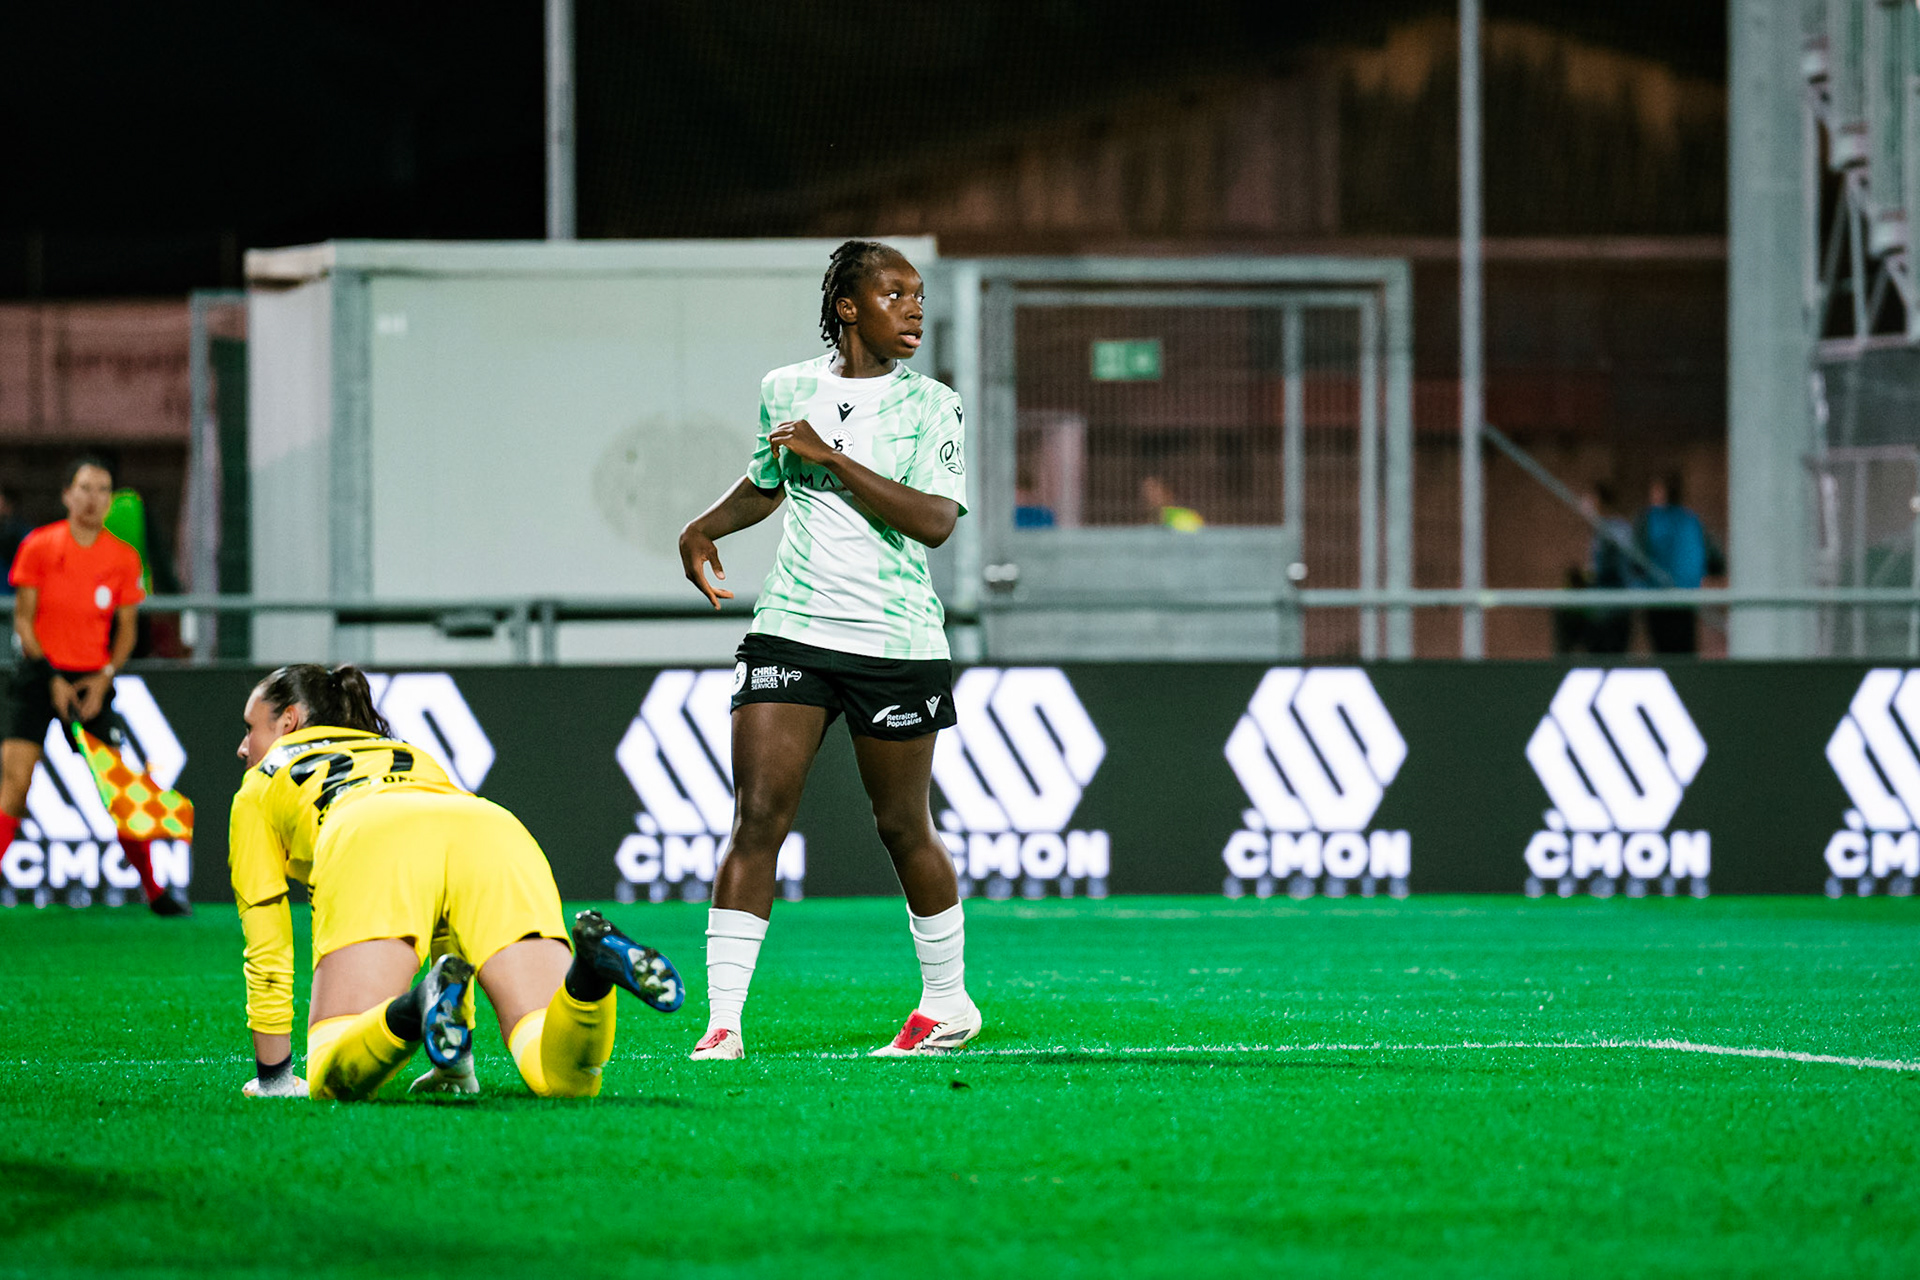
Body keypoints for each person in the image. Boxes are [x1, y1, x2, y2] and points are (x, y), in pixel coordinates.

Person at [676, 239, 981, 1061]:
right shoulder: (786, 388)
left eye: (918, 296)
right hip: (792, 629)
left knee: (901, 826)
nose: (915, 308)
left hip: (894, 640)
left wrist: (833, 458)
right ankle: (724, 1023)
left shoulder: (933, 406)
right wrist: (705, 523)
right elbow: (769, 480)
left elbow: (934, 523)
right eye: (895, 294)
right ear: (849, 308)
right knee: (756, 820)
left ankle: (949, 1004)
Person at [228, 663, 684, 1100]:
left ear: (289, 721)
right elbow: (447, 910)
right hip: (491, 825)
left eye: (250, 728)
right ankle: (590, 974)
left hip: (371, 830)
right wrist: (453, 1064)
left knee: (331, 1071)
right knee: (561, 1075)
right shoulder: (410, 755)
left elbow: (268, 947)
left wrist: (274, 1079)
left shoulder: (259, 786)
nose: (243, 748)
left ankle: (416, 1007)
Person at [1, 456, 182, 914]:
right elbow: (24, 621)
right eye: (84, 487)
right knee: (14, 784)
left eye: (102, 489)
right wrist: (52, 679)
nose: (92, 498)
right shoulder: (39, 546)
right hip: (39, 675)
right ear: (66, 494)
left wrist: (103, 679)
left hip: (92, 682)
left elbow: (126, 631)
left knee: (118, 789)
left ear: (110, 499)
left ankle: (156, 891)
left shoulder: (122, 557)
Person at [1636, 473, 1722, 656]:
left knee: (1664, 656)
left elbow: (1637, 562)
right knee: (1684, 653)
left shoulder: (1649, 520)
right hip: (1686, 598)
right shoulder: (1691, 520)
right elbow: (1716, 560)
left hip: (1659, 599)